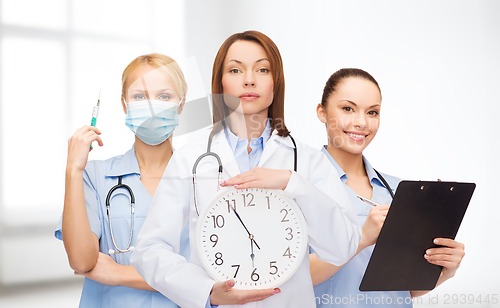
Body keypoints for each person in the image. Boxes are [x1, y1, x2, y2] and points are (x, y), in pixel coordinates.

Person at [131, 30, 361, 308]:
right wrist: (205, 291)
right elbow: (150, 249)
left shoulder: (307, 161)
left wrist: (293, 183)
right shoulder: (190, 159)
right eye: (236, 69)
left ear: (276, 83)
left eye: (262, 69)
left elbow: (343, 247)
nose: (249, 79)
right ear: (220, 83)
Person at [310, 68, 465, 307]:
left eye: (372, 112)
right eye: (348, 108)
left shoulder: (397, 190)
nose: (361, 122)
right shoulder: (301, 186)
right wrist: (361, 239)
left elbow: (403, 289)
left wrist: (443, 270)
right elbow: (294, 278)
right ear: (322, 112)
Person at [55, 54, 188, 307]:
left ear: (180, 105)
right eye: (140, 96)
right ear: (125, 104)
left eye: (164, 97)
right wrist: (73, 169)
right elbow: (82, 261)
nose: (151, 106)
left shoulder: (201, 179)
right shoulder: (95, 176)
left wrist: (116, 273)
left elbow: (209, 278)